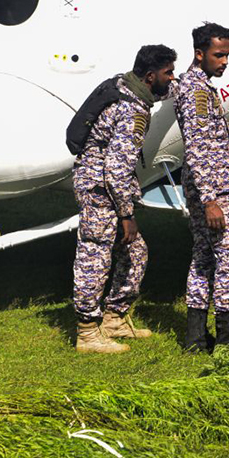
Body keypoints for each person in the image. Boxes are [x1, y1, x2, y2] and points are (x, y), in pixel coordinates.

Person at [72, 45, 176, 353]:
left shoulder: (127, 86)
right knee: (95, 257)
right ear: (149, 76)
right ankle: (87, 333)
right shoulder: (133, 111)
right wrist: (126, 215)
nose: (171, 79)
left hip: (103, 185)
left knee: (135, 253)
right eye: (168, 73)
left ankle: (114, 319)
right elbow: (116, 170)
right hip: (99, 189)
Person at [176, 23, 229, 352]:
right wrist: (210, 201)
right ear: (199, 53)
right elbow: (198, 147)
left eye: (228, 55)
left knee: (204, 258)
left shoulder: (196, 85)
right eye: (219, 55)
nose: (225, 61)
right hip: (212, 189)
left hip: (206, 184)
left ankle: (194, 338)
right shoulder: (197, 92)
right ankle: (226, 339)